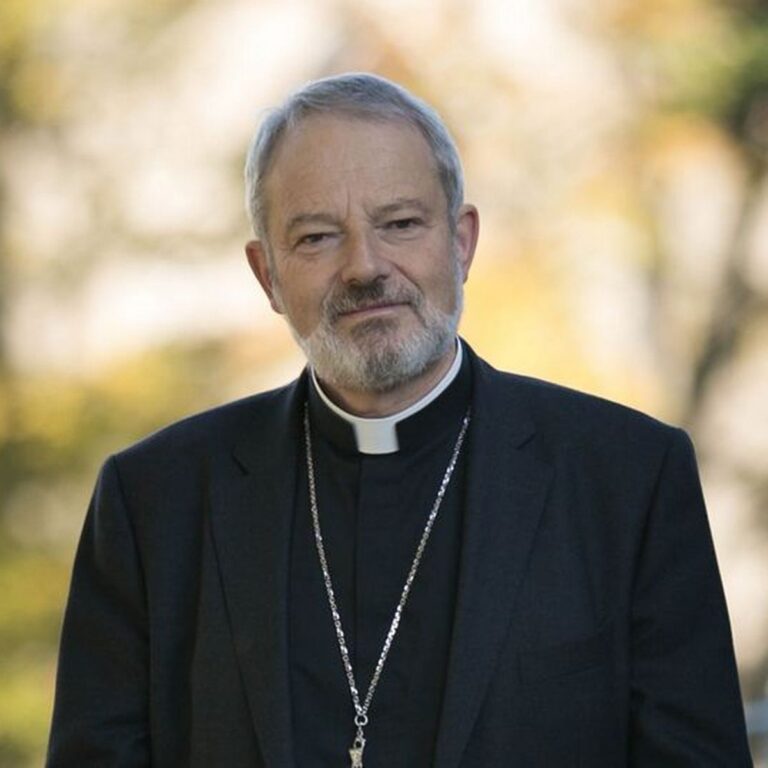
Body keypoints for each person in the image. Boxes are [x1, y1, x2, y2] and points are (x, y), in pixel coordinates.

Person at [47, 72, 752, 767]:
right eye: (318, 237)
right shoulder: (153, 502)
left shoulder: (628, 479)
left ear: (462, 241)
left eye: (401, 224)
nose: (364, 266)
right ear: (267, 276)